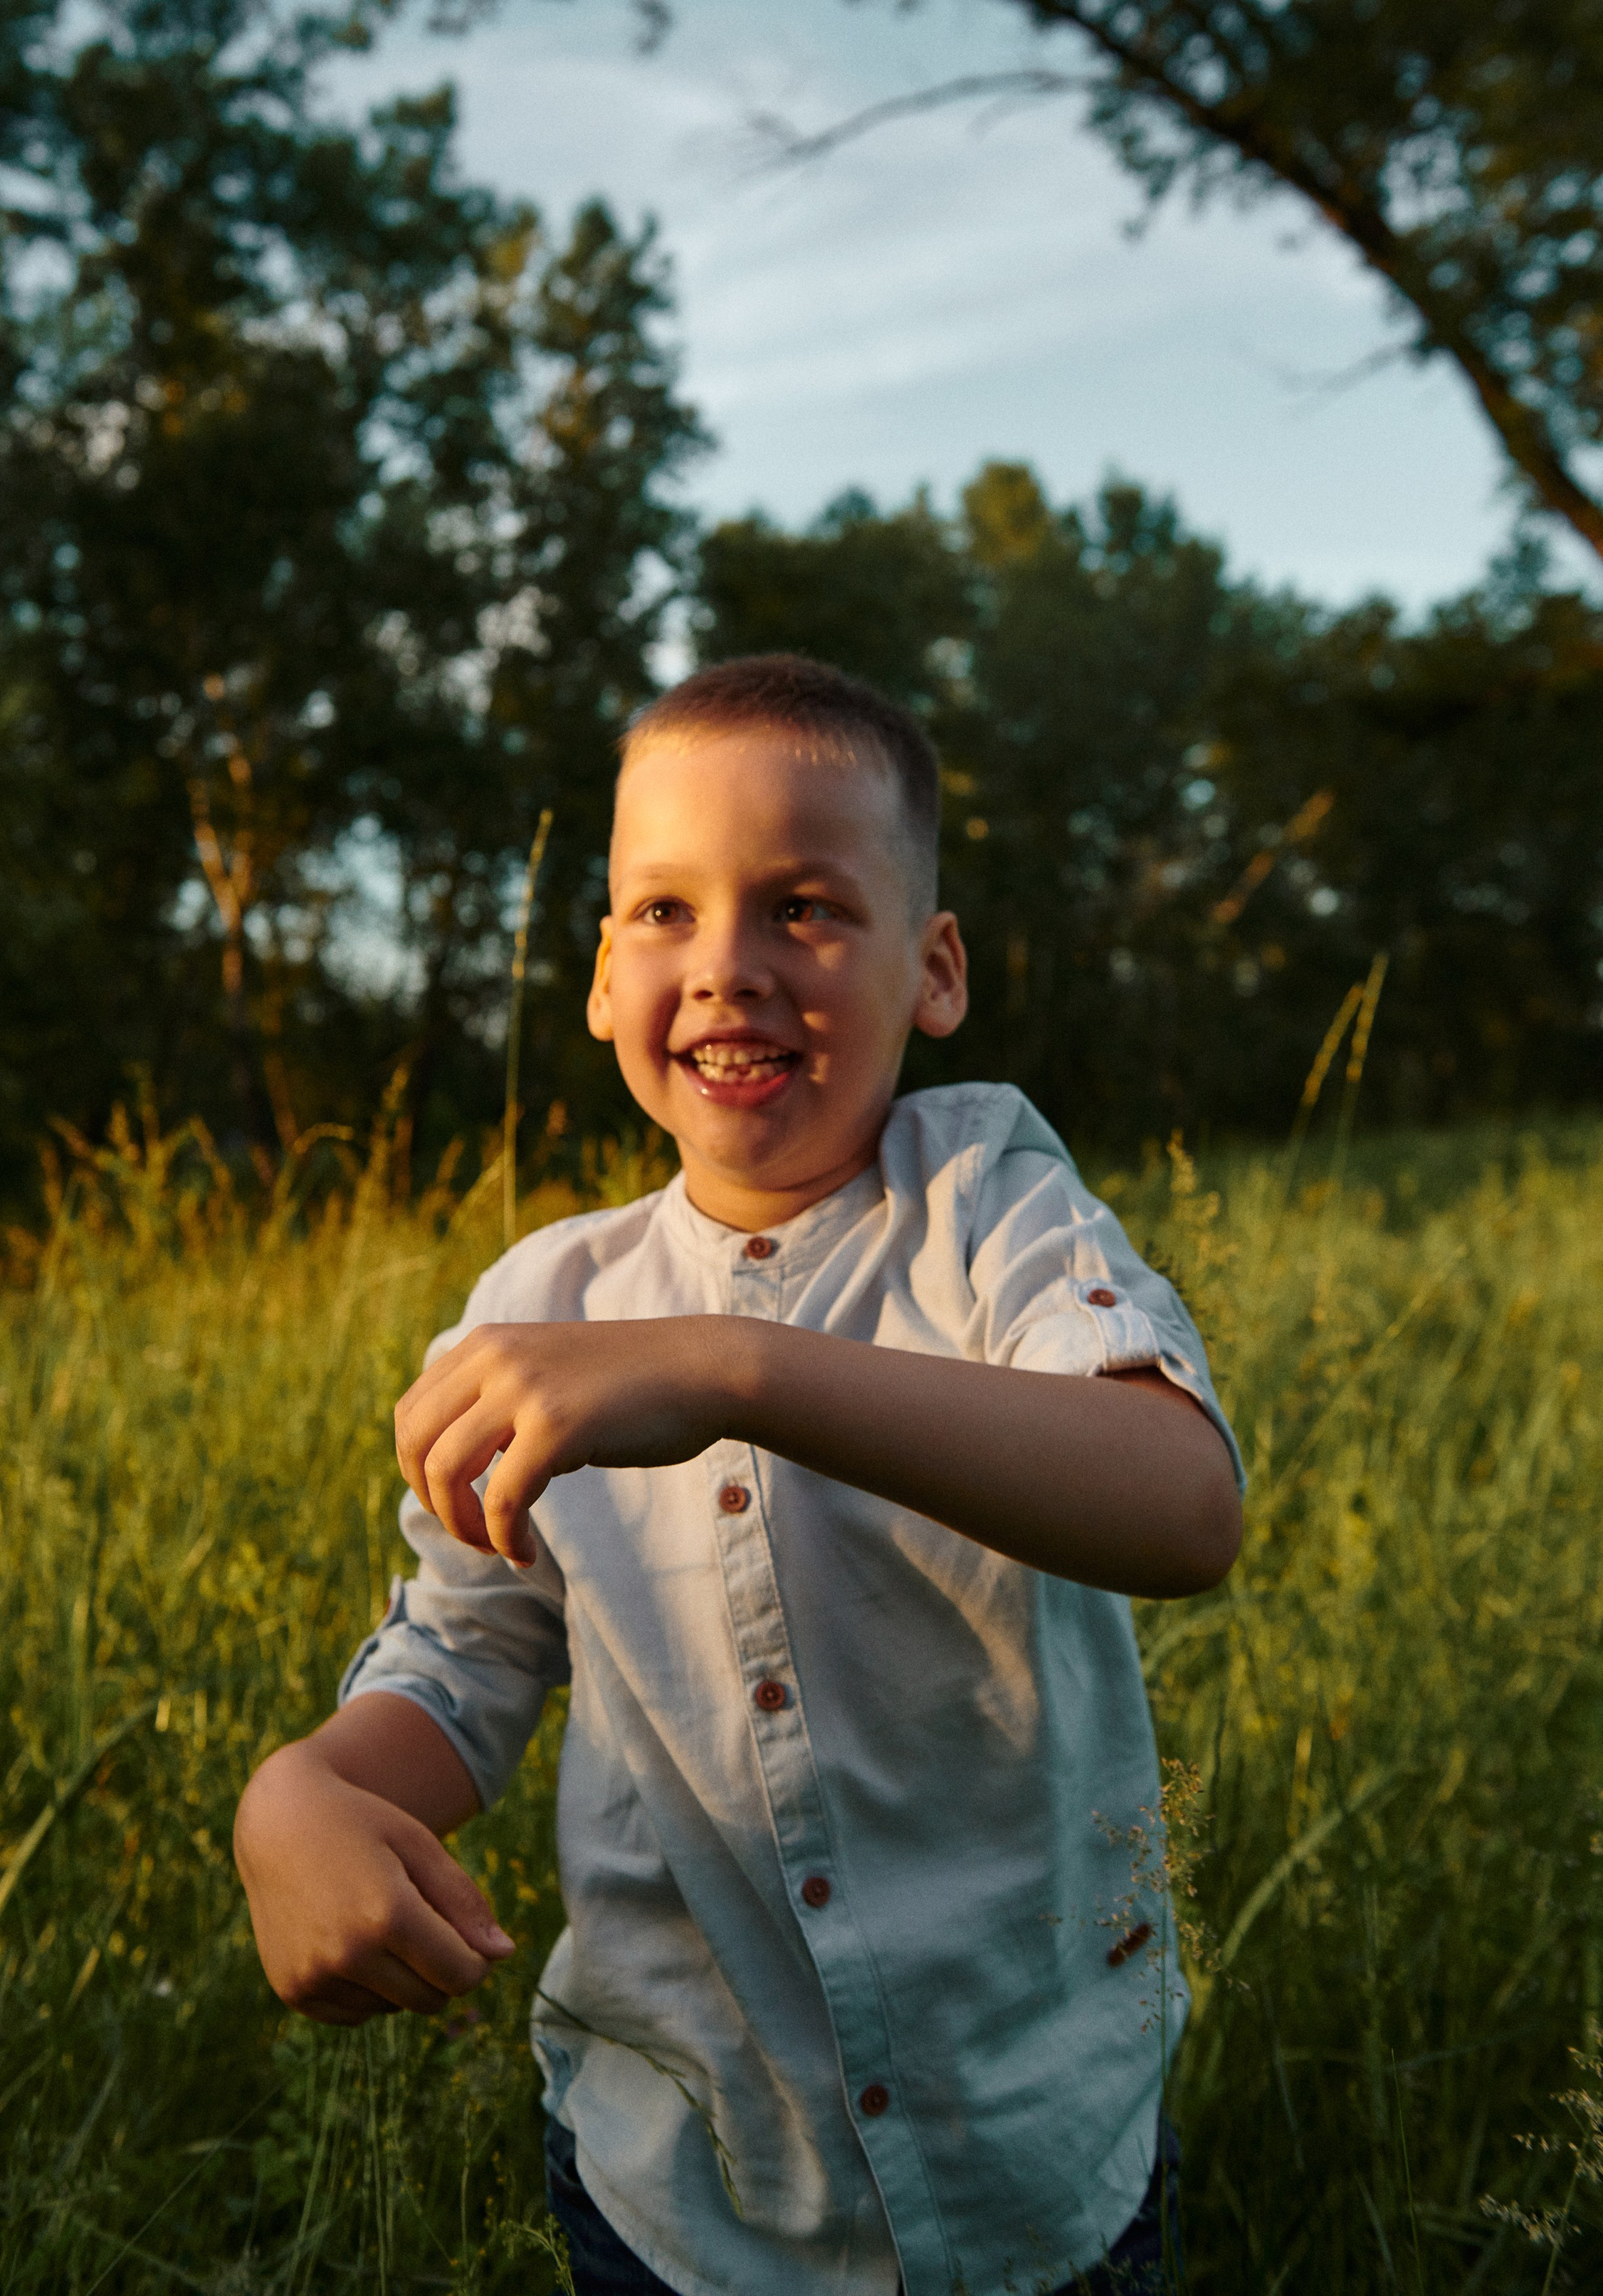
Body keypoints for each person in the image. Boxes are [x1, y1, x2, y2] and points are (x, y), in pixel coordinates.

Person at [234, 654, 1244, 2296]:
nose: (726, 971)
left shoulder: (985, 1197)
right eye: (661, 914)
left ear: (932, 971)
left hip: (1028, 2165)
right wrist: (309, 1796)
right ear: (594, 974)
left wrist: (730, 1370)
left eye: (801, 909)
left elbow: (1181, 1506)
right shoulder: (537, 1310)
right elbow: (470, 1652)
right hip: (682, 2182)